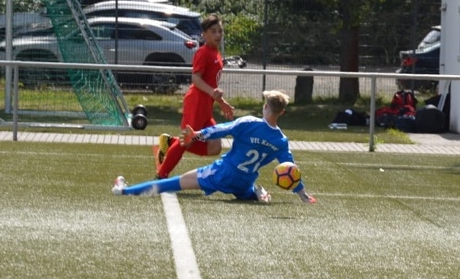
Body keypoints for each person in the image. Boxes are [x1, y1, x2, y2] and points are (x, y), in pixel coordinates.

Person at [116, 90, 316, 204]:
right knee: (244, 192)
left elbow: (220, 129)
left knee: (172, 183)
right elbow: (290, 168)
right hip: (244, 180)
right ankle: (255, 192)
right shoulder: (281, 140)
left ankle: (123, 190)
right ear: (282, 112)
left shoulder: (249, 123)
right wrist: (303, 194)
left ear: (265, 107)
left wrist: (197, 134)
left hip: (223, 172)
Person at [154, 13, 234, 178]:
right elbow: (195, 78)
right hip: (196, 102)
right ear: (204, 34)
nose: (218, 35)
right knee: (186, 141)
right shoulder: (203, 52)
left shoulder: (216, 53)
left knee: (215, 147)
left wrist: (221, 102)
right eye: (213, 31)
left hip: (206, 106)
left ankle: (170, 142)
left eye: (220, 31)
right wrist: (212, 93)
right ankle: (160, 176)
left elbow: (211, 84)